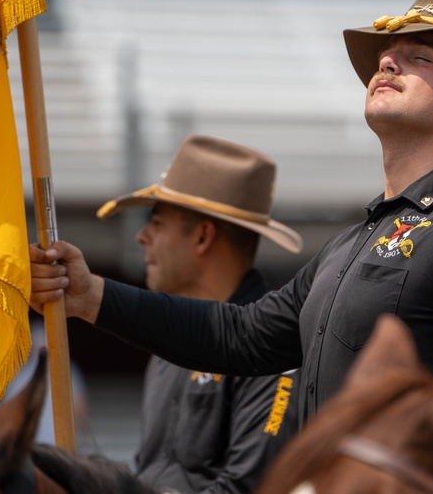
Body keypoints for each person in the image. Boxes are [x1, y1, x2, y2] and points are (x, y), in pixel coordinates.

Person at [30, 0, 433, 425]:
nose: (387, 61)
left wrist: (412, 443)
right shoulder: (355, 239)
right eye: (388, 55)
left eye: (420, 58)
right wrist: (91, 295)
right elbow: (242, 335)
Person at [96, 135, 303, 494]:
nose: (141, 236)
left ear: (203, 237)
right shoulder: (165, 345)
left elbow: (249, 487)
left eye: (156, 223)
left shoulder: (276, 354)